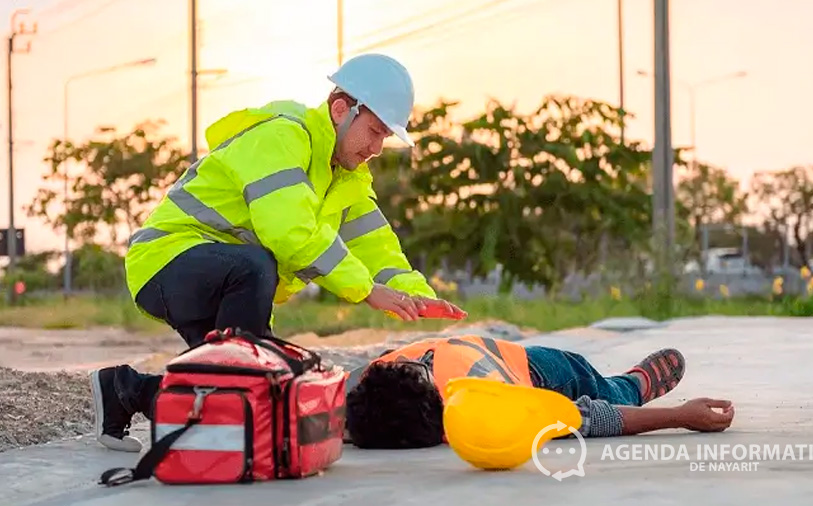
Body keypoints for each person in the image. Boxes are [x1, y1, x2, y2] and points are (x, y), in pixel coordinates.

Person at [88, 53, 463, 452]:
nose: (376, 148)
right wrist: (367, 291)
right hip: (168, 262)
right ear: (341, 110)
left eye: (384, 137)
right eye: (373, 131)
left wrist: (413, 295)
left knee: (246, 391)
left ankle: (123, 390)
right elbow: (288, 231)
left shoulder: (345, 179)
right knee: (255, 278)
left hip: (225, 278)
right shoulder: (282, 137)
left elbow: (376, 247)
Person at [344, 336, 735, 448]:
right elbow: (587, 419)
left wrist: (680, 415)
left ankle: (627, 386)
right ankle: (631, 386)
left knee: (590, 380)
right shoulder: (485, 411)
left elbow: (591, 414)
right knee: (602, 395)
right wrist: (682, 415)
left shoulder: (366, 389)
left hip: (536, 368)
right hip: (519, 376)